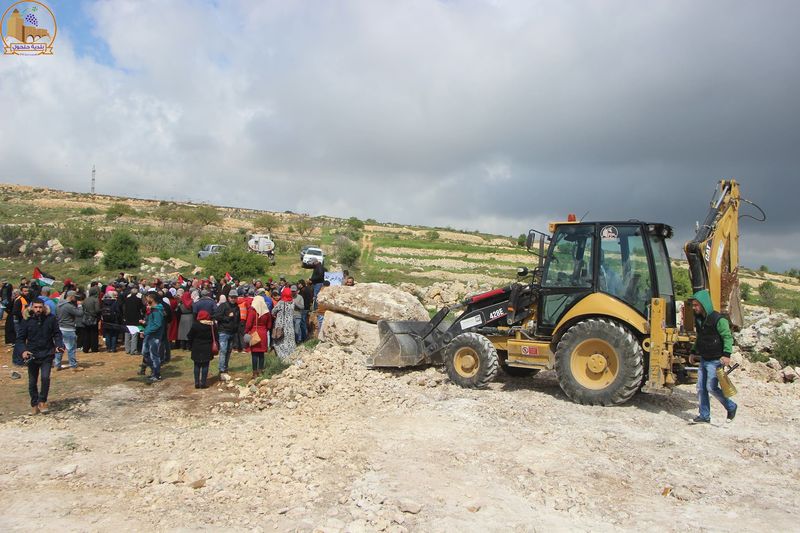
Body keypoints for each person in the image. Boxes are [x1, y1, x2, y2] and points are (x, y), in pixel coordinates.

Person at [689, 289, 737, 424]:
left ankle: (731, 406)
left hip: (716, 360)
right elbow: (700, 338)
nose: (694, 308)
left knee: (711, 387)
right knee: (701, 388)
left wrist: (727, 355)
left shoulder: (718, 320)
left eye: (696, 305)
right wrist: (693, 351)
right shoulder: (699, 320)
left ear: (704, 304)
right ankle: (704, 416)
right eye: (693, 305)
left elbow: (727, 337)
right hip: (704, 359)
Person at [16, 299, 65, 415]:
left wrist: (59, 345)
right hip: (32, 355)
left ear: (44, 307)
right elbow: (20, 339)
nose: (38, 309)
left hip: (47, 353)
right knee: (32, 382)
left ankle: (42, 401)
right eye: (36, 307)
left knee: (45, 378)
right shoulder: (26, 320)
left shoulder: (50, 318)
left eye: (40, 307)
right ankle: (34, 404)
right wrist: (23, 351)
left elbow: (57, 334)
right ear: (32, 307)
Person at [55, 291, 84, 371]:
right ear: (71, 297)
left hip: (60, 328)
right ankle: (73, 365)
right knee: (71, 348)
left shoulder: (58, 304)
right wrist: (80, 305)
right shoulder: (68, 306)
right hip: (68, 329)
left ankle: (57, 364)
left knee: (60, 347)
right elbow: (79, 313)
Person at [140, 292, 165, 383]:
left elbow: (157, 324)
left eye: (147, 298)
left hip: (155, 336)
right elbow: (152, 323)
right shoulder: (153, 309)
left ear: (151, 298)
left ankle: (156, 374)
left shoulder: (157, 310)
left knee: (154, 355)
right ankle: (154, 371)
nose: (146, 300)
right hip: (149, 334)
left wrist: (146, 331)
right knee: (145, 352)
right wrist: (145, 324)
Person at [245, 294, 271, 379]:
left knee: (254, 354)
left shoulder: (253, 311)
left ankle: (254, 372)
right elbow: (269, 325)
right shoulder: (266, 312)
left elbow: (249, 323)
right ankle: (261, 370)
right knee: (261, 354)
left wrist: (246, 331)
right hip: (263, 333)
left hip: (254, 332)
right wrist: (265, 329)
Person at [214, 291, 240, 377]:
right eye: (232, 297)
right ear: (228, 297)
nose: (233, 299)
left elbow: (238, 319)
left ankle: (225, 367)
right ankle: (221, 369)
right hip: (223, 331)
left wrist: (237, 329)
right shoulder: (223, 305)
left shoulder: (237, 307)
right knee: (223, 351)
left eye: (235, 297)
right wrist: (228, 317)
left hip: (232, 332)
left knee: (228, 351)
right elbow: (216, 316)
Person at [187, 310, 215, 388]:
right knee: (205, 365)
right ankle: (203, 382)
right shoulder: (212, 325)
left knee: (197, 365)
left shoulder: (195, 325)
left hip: (197, 347)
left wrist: (190, 344)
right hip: (207, 347)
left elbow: (189, 336)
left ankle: (196, 382)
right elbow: (216, 336)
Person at [272, 287, 296, 362]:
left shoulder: (281, 303)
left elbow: (273, 311)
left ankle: (283, 358)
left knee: (280, 341)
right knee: (290, 342)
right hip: (290, 326)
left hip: (281, 326)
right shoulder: (293, 303)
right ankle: (291, 357)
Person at [122, 288, 144, 355]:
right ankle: (133, 350)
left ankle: (127, 349)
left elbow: (124, 309)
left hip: (127, 319)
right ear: (137, 293)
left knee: (127, 335)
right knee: (134, 335)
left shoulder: (126, 300)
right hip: (135, 319)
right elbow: (142, 308)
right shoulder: (138, 300)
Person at [82, 286, 101, 353]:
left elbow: (83, 308)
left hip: (86, 318)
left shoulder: (86, 299)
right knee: (94, 333)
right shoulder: (95, 300)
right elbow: (97, 310)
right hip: (93, 318)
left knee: (86, 333)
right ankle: (94, 348)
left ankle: (85, 348)